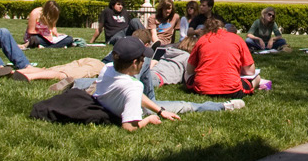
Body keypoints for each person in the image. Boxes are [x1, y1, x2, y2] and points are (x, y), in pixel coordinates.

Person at [92, 36, 245, 131]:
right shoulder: (133, 88)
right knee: (187, 106)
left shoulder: (108, 68)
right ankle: (224, 106)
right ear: (133, 63)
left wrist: (160, 111)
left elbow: (135, 94)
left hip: (113, 100)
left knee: (146, 66)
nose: (143, 60)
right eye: (140, 58)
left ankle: (155, 104)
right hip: (135, 108)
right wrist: (149, 119)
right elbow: (128, 127)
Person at [187, 18, 261, 98]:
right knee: (257, 78)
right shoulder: (237, 39)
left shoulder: (202, 40)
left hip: (203, 88)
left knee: (186, 74)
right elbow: (250, 71)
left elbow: (190, 70)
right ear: (224, 28)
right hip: (232, 90)